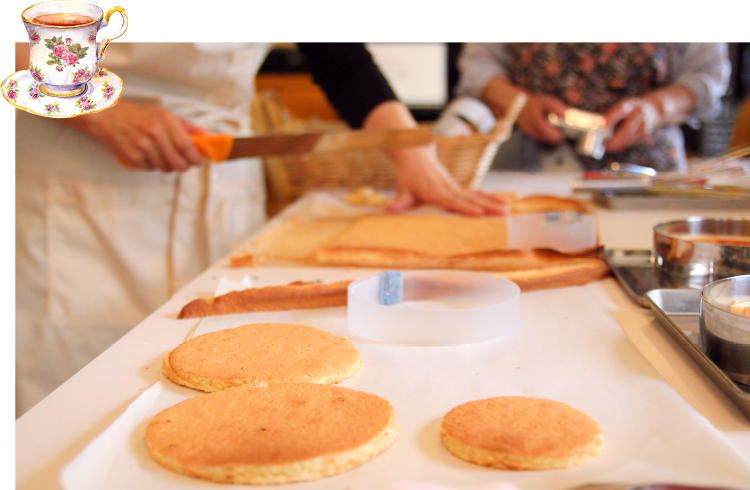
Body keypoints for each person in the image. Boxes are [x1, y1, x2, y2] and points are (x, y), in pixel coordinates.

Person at [15, 42, 507, 418]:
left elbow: (341, 61)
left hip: (223, 178)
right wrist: (99, 108)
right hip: (79, 174)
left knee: (227, 385)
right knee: (80, 398)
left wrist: (413, 152)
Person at [456, 42, 731, 171]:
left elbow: (707, 75)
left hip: (646, 174)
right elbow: (478, 68)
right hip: (530, 163)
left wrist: (654, 110)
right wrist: (521, 105)